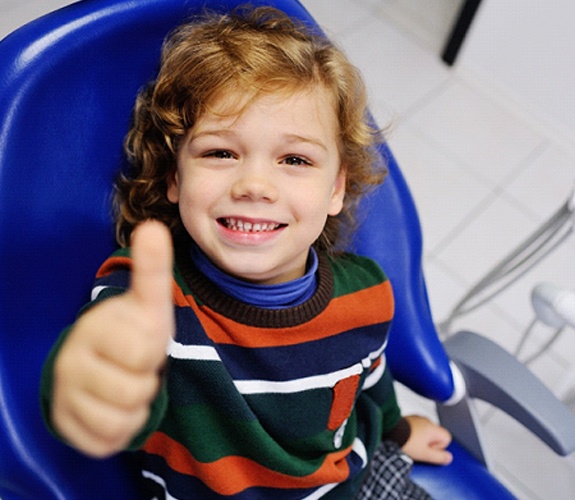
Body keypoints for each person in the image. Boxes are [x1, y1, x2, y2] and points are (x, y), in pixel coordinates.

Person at [41, 6, 452, 499]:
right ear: (176, 177)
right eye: (221, 152)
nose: (255, 184)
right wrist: (93, 387)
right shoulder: (149, 300)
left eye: (295, 159)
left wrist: (397, 428)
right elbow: (111, 377)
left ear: (336, 188)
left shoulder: (366, 293)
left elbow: (369, 385)